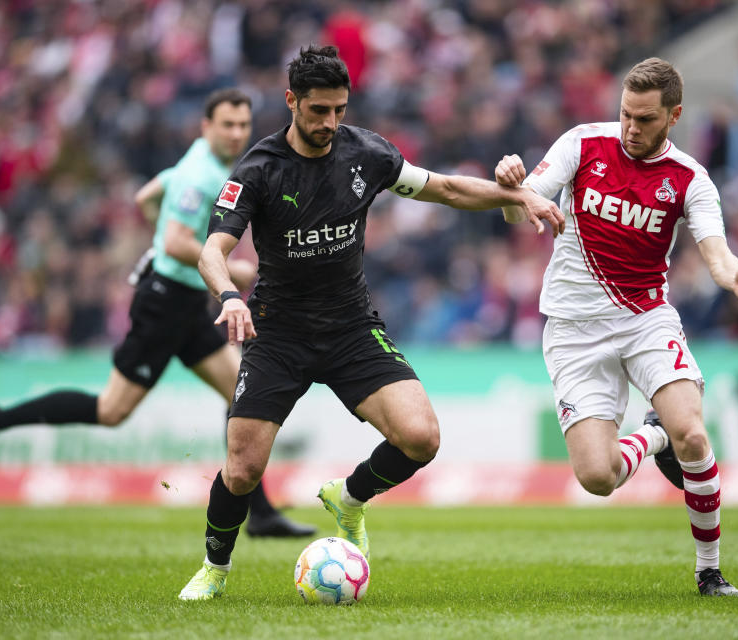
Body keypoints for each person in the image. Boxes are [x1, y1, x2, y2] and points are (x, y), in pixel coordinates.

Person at [177, 44, 564, 600]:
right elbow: (212, 250)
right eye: (318, 111)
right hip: (276, 333)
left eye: (340, 109)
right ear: (291, 102)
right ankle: (215, 569)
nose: (331, 122)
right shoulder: (258, 170)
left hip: (351, 328)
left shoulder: (367, 154)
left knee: (420, 438)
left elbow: (447, 188)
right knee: (242, 470)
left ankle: (349, 496)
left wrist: (517, 194)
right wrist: (230, 296)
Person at [494, 57, 738, 596]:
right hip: (572, 330)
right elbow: (522, 211)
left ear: (674, 116)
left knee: (693, 432)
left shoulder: (690, 179)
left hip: (645, 320)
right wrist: (511, 188)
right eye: (625, 114)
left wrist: (732, 278)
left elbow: (715, 252)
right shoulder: (582, 143)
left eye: (645, 119)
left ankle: (709, 571)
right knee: (597, 478)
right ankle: (653, 436)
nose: (630, 128)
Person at [0, 89, 316, 538]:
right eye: (227, 125)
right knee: (111, 409)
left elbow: (146, 197)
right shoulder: (201, 174)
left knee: (241, 393)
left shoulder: (199, 162)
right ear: (206, 126)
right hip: (164, 304)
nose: (237, 134)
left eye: (242, 125)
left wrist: (165, 238)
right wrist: (230, 266)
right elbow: (177, 239)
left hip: (185, 301)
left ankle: (261, 514)